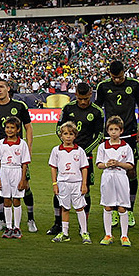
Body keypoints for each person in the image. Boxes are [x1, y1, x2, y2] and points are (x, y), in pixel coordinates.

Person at [95, 60, 139, 227]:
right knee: (109, 170)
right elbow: (97, 108)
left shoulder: (135, 85)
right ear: (109, 74)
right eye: (114, 77)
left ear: (125, 72)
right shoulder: (103, 86)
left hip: (130, 133)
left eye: (120, 77)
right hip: (109, 135)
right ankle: (115, 210)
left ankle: (128, 209)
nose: (117, 80)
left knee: (130, 171)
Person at [0, 79, 35, 232]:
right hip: (0, 154)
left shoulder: (19, 106)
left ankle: (30, 219)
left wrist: (29, 148)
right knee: (0, 188)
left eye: (1, 87)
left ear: (8, 89)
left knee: (25, 186)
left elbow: (28, 128)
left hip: (18, 154)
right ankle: (3, 221)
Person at [52, 83, 104, 235]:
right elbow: (58, 128)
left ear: (90, 94)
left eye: (86, 99)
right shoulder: (68, 108)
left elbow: (99, 135)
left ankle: (84, 226)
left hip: (85, 156)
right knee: (60, 191)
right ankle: (58, 224)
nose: (82, 102)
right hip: (66, 155)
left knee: (85, 191)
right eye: (80, 99)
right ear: (75, 94)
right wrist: (67, 146)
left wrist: (82, 152)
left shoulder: (97, 111)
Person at [96, 117, 134, 246]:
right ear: (107, 131)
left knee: (122, 206)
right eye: (111, 129)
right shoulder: (103, 146)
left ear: (121, 131)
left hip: (121, 176)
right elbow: (99, 164)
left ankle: (124, 236)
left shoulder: (126, 147)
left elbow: (130, 165)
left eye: (116, 129)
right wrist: (107, 164)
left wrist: (119, 164)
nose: (113, 132)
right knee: (107, 205)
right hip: (107, 177)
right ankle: (108, 235)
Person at [49, 122, 89, 244]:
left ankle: (84, 232)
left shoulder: (80, 151)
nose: (68, 136)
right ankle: (65, 233)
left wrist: (84, 184)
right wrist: (54, 184)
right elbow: (53, 167)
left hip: (76, 183)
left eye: (71, 134)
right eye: (65, 134)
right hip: (62, 184)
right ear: (61, 135)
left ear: (75, 136)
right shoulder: (56, 150)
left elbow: (84, 168)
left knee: (80, 208)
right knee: (65, 208)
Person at [0, 118, 31, 240]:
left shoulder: (22, 144)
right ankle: (8, 227)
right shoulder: (1, 143)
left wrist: (23, 179)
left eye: (12, 128)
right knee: (6, 200)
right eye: (7, 127)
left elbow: (25, 163)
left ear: (18, 129)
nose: (9, 130)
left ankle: (17, 227)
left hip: (16, 171)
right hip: (4, 172)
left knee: (16, 200)